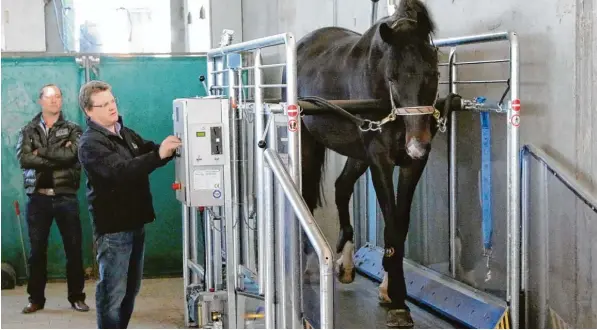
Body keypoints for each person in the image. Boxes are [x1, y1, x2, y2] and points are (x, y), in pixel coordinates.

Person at [77, 80, 181, 328]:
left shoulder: (124, 132)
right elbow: (121, 171)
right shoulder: (91, 143)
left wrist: (174, 147)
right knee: (112, 293)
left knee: (130, 290)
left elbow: (147, 151)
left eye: (112, 101)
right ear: (89, 111)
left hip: (136, 222)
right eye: (103, 105)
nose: (111, 107)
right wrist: (158, 155)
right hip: (114, 229)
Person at [15, 84, 89, 314]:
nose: (54, 101)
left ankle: (76, 297)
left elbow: (72, 156)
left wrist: (42, 152)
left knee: (74, 249)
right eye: (49, 97)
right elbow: (24, 159)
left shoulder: (73, 129)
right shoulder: (29, 130)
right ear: (41, 101)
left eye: (58, 96)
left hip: (65, 197)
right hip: (38, 199)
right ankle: (35, 299)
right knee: (37, 251)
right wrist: (58, 157)